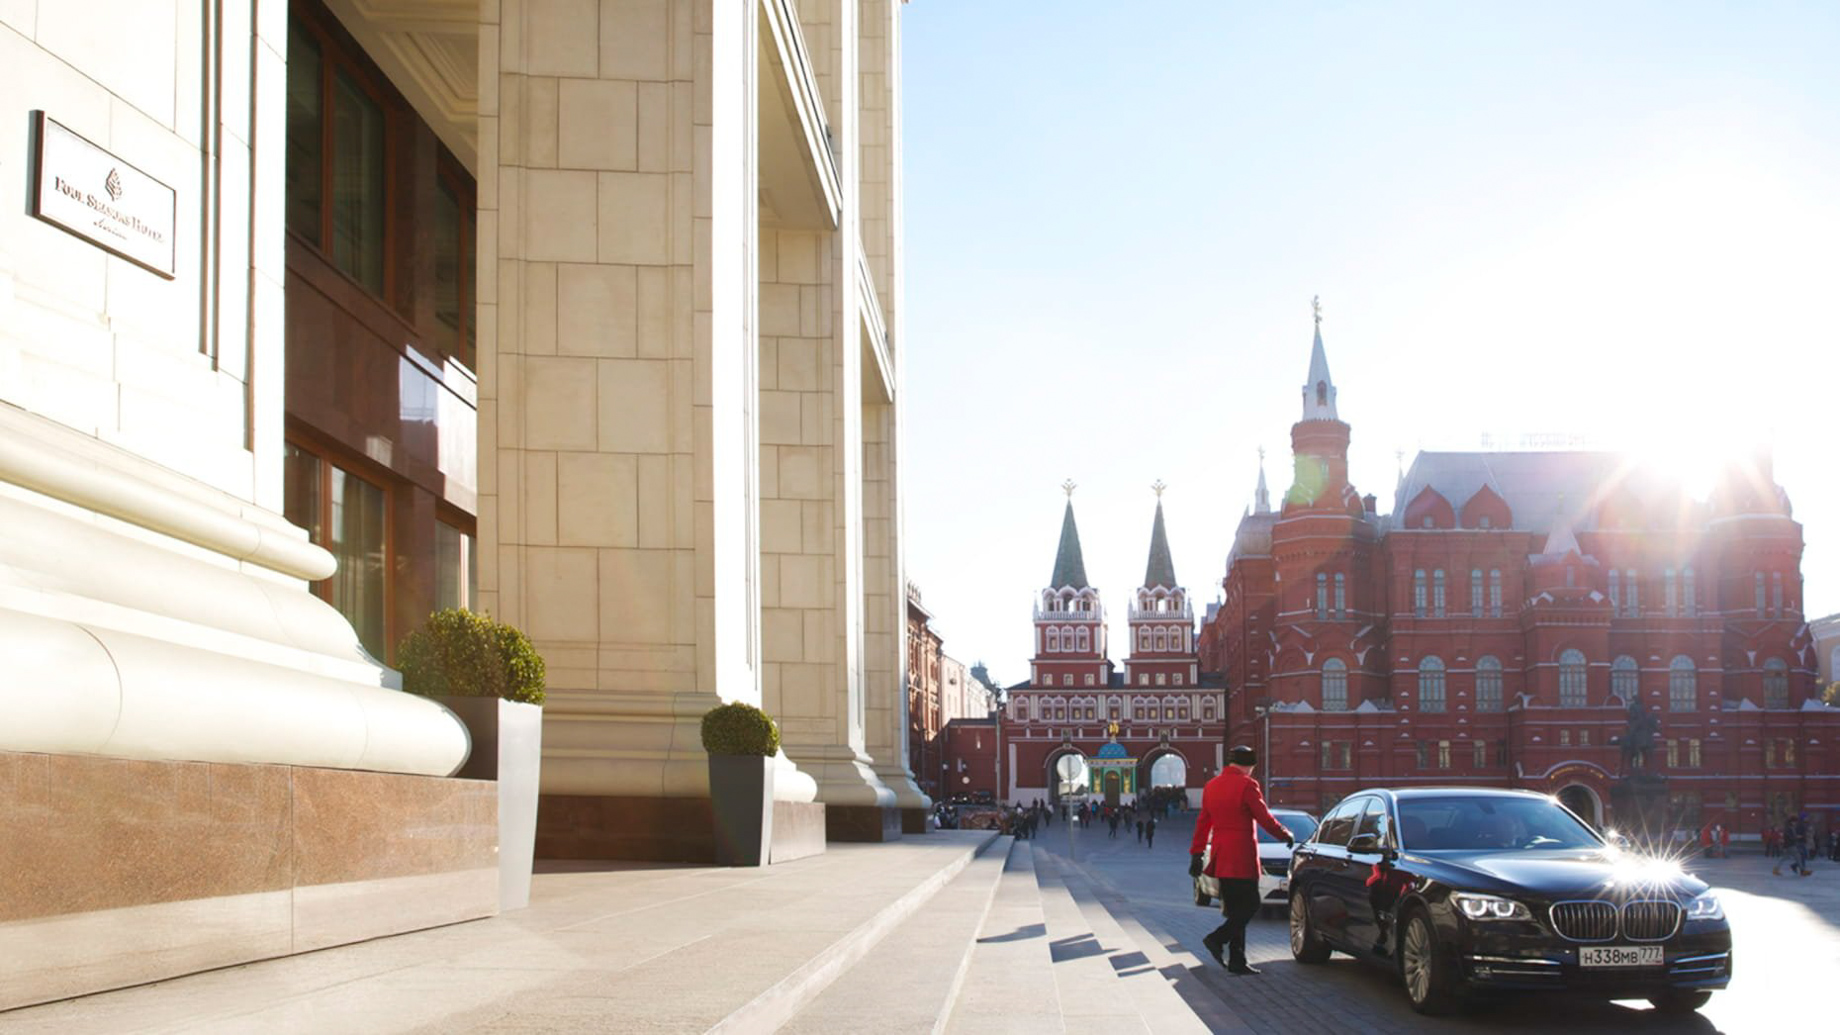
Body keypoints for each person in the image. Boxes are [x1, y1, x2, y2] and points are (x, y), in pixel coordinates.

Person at [1189, 745, 1292, 975]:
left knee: (1235, 909)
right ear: (1249, 765)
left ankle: (1238, 960)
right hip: (1241, 855)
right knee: (1251, 904)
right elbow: (1264, 818)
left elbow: (1203, 823)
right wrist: (1285, 834)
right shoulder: (1247, 785)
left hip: (1220, 855)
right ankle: (1217, 939)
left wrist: (1196, 853)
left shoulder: (1211, 786)